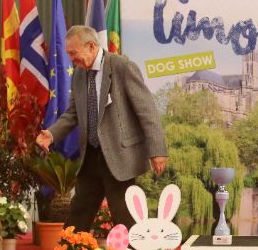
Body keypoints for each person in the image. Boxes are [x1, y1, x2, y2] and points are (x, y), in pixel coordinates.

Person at [35, 25, 167, 232]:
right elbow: (72, 113)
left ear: (91, 46)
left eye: (73, 53)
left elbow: (147, 111)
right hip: (91, 156)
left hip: (119, 156)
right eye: (69, 54)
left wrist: (157, 150)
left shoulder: (122, 67)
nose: (71, 59)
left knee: (125, 216)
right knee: (79, 213)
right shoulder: (79, 74)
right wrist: (51, 134)